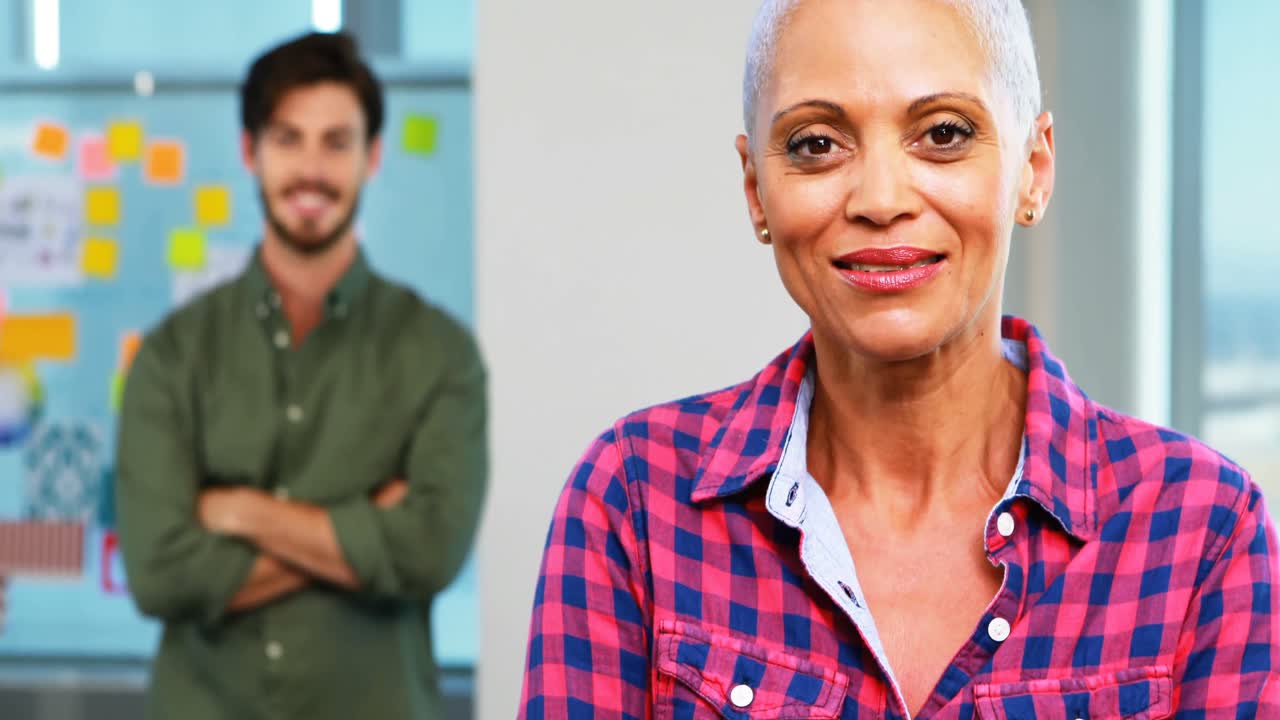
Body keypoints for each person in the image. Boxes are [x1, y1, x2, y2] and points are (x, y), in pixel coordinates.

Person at [519, 0, 1278, 717]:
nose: (880, 198)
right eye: (816, 144)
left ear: (1033, 169)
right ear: (756, 190)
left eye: (943, 133)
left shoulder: (1199, 528)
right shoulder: (634, 503)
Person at [116, 32, 486, 720]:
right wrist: (367, 526)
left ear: (372, 157)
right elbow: (159, 575)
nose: (311, 169)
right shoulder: (172, 354)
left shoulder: (439, 352)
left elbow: (431, 551)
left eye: (336, 142)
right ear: (249, 152)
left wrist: (240, 512)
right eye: (288, 139)